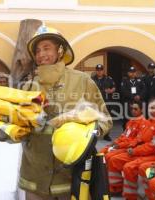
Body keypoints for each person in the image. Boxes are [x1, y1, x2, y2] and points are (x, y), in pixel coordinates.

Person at [19, 25, 112, 199]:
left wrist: (85, 135)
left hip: (71, 178)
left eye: (46, 48)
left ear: (60, 50)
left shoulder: (82, 81)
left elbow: (105, 119)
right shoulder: (28, 86)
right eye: (37, 50)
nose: (41, 54)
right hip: (35, 179)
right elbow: (17, 131)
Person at [107, 98, 155, 196]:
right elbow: (139, 139)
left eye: (153, 108)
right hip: (143, 152)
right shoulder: (150, 122)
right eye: (150, 108)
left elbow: (154, 147)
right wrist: (131, 147)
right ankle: (118, 189)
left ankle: (147, 195)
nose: (150, 110)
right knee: (114, 159)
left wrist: (134, 151)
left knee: (130, 167)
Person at [91, 64, 116, 141]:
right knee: (95, 119)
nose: (99, 72)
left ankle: (106, 135)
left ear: (103, 71)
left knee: (107, 119)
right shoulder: (92, 79)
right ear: (96, 71)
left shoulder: (108, 79)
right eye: (98, 70)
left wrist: (111, 90)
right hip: (95, 102)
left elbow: (114, 87)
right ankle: (94, 135)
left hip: (106, 102)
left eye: (101, 70)